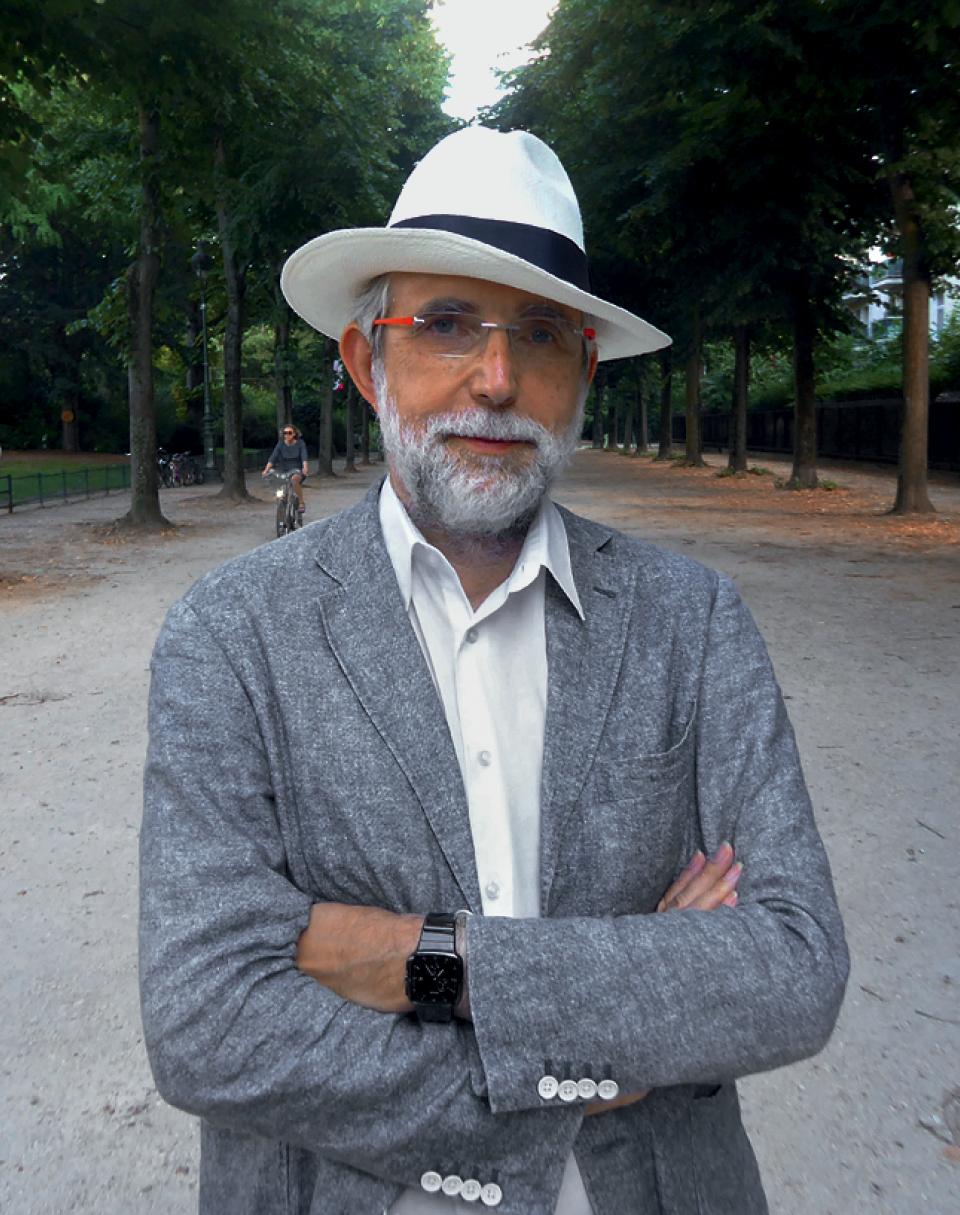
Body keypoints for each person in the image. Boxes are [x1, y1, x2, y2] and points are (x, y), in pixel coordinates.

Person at [141, 127, 848, 1215]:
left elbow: (794, 970)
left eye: (542, 333)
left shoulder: (694, 621)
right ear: (366, 362)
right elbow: (206, 1022)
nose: (499, 377)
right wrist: (620, 1016)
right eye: (446, 325)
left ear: (585, 371)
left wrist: (427, 961)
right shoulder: (230, 635)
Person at [262, 423, 309, 514]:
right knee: (274, 479)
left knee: (294, 480)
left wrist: (305, 467)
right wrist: (266, 470)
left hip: (296, 470)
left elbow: (304, 456)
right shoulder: (280, 444)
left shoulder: (300, 443)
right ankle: (281, 498)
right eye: (285, 433)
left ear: (294, 434)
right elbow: (273, 458)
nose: (287, 435)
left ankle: (301, 503)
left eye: (289, 433)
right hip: (283, 470)